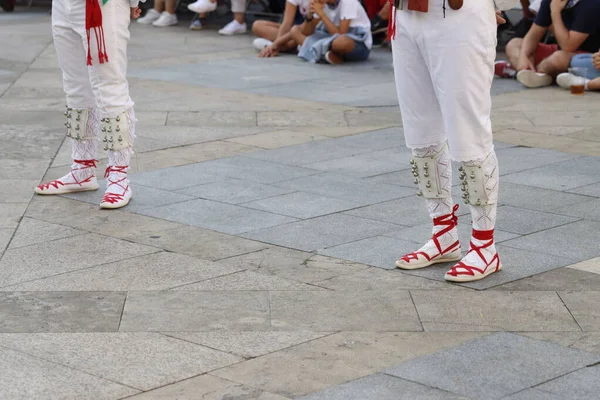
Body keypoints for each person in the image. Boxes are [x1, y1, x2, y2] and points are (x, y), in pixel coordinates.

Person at [392, 1, 509, 282]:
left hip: (458, 11)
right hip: (405, 11)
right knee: (421, 133)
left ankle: (484, 246)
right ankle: (443, 234)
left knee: (468, 131)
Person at [35, 0, 142, 209]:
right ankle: (82, 169)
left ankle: (119, 177)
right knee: (75, 86)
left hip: (102, 5)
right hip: (62, 4)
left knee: (109, 86)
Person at [499, 0, 600, 88]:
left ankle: (526, 73)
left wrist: (555, 13)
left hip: (587, 56)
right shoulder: (550, 1)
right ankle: (527, 73)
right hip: (561, 51)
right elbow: (532, 36)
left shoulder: (591, 4)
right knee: (514, 44)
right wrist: (523, 57)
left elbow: (568, 46)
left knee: (557, 58)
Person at [291, 0, 372, 64]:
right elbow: (307, 33)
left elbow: (340, 34)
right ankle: (327, 54)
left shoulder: (348, 2)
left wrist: (321, 14)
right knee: (295, 31)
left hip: (357, 42)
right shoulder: (321, 3)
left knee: (341, 42)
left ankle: (314, 50)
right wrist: (310, 15)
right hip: (329, 38)